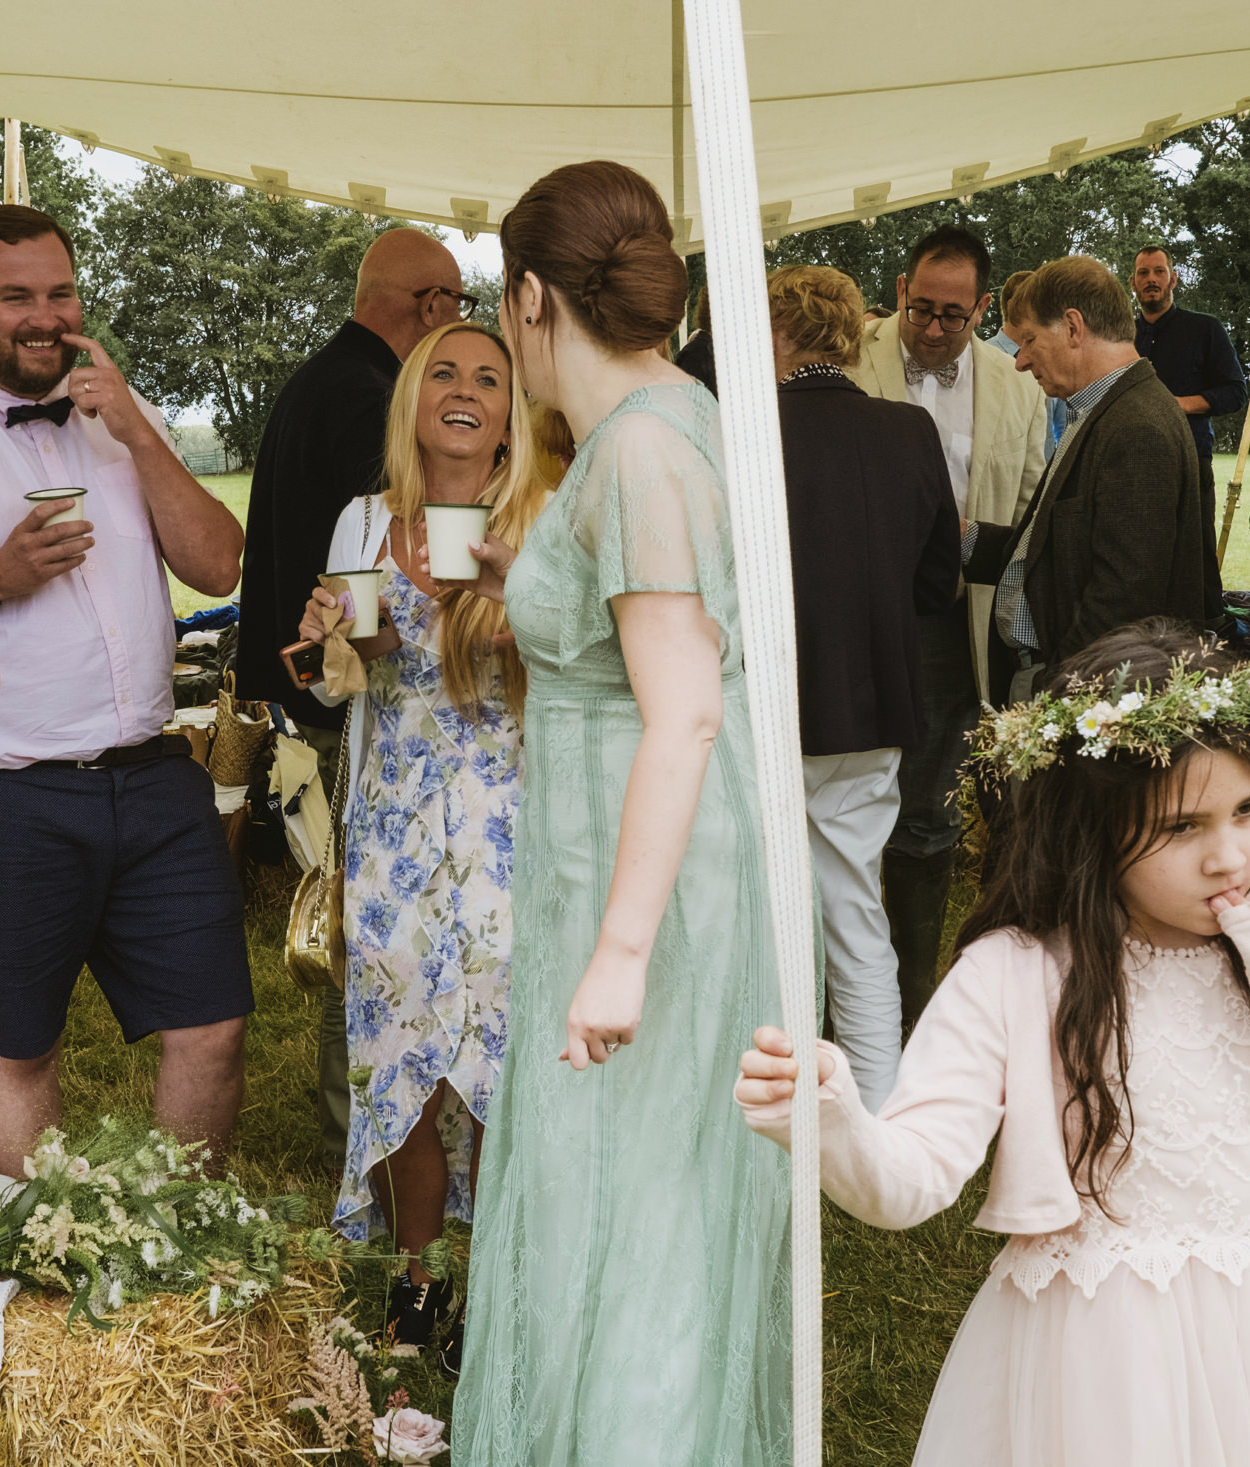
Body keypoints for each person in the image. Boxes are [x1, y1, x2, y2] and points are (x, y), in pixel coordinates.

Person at [736, 622, 1250, 1467]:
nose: (1229, 855)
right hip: (1118, 1365)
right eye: (1182, 826)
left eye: (1247, 809)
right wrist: (831, 1118)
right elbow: (912, 1179)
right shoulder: (1015, 973)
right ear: (1093, 824)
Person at [443, 159, 791, 1466]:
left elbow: (684, 708)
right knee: (621, 1185)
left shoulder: (641, 448)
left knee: (646, 1199)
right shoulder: (666, 420)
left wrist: (624, 950)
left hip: (647, 878)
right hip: (616, 858)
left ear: (531, 296)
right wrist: (523, 574)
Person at [0, 203, 249, 1177]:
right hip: (1, 787)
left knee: (214, 1027)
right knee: (23, 1043)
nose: (44, 316)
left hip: (153, 774)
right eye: (15, 295)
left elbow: (218, 564)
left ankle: (176, 1232)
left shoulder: (121, 424)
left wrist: (138, 432)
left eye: (60, 293)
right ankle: (38, 1244)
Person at [296, 319, 547, 1365]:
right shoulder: (363, 523)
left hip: (508, 832)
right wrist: (342, 641)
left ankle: (500, 1289)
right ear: (411, 401)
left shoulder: (542, 520)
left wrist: (515, 613)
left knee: (499, 1062)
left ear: (510, 415)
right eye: (442, 372)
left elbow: (586, 673)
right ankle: (419, 1280)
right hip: (393, 833)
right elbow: (332, 686)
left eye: (488, 378)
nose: (464, 390)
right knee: (405, 1060)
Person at [241, 226, 468, 1170]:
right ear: (430, 306)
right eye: (455, 307)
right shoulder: (375, 401)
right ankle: (369, 1140)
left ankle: (380, 1137)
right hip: (362, 719)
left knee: (375, 931)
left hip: (316, 694)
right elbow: (368, 603)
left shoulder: (313, 381)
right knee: (372, 935)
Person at [772, 264, 961, 1106]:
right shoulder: (908, 430)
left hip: (763, 705)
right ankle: (877, 1114)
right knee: (855, 915)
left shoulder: (743, 430)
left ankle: (772, 1115)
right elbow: (937, 583)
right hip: (872, 704)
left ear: (777, 331)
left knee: (762, 921)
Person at [850, 228, 1048, 1032]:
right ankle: (837, 998)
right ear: (901, 289)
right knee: (844, 807)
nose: (932, 329)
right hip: (856, 623)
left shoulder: (1016, 389)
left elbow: (1029, 512)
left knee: (928, 812)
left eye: (952, 317)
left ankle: (911, 1002)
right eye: (920, 309)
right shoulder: (850, 357)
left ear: (983, 309)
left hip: (949, 627)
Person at [968, 256, 1220, 706]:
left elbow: (1124, 600)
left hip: (1080, 696)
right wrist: (965, 540)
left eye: (1029, 340)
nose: (1020, 361)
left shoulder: (1136, 427)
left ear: (1072, 327)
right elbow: (1059, 551)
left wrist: (1056, 692)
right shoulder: (1105, 409)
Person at [1132, 244, 1248, 505]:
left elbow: (1235, 392)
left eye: (1159, 271)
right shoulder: (1120, 337)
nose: (1151, 279)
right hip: (1131, 462)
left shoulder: (1205, 329)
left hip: (1189, 460)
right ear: (1133, 282)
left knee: (1195, 533)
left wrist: (1179, 405)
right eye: (1143, 273)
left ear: (1173, 279)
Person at [988, 268, 1067, 455]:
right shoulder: (984, 359)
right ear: (1012, 306)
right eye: (1037, 303)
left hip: (1045, 472)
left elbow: (1063, 429)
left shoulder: (1053, 360)